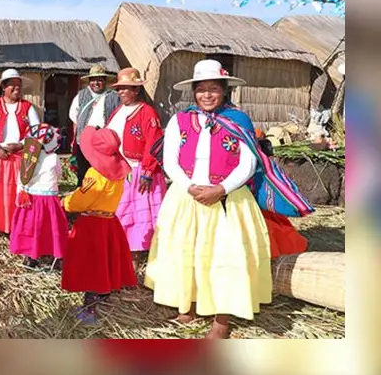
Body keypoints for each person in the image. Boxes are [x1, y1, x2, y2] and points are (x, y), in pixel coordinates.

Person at [143, 59, 275, 339]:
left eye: (213, 88)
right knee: (183, 250)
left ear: (224, 90)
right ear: (193, 92)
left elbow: (248, 163)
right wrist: (188, 186)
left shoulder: (239, 120)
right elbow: (170, 160)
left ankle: (222, 320)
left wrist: (221, 189)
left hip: (227, 199)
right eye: (201, 89)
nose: (206, 95)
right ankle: (185, 307)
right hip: (186, 196)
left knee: (224, 257)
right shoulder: (181, 120)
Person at [60, 127, 138, 324]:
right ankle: (104, 293)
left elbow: (82, 200)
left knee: (90, 265)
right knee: (105, 261)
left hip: (91, 225)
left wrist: (65, 203)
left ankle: (89, 308)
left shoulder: (95, 174)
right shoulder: (118, 173)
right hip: (109, 221)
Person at [103, 68, 167, 275]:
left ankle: (134, 260)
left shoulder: (146, 112)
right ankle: (120, 253)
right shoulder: (118, 111)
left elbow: (154, 143)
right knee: (121, 213)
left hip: (139, 170)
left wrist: (147, 171)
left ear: (136, 90)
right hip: (120, 169)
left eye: (126, 89)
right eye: (120, 89)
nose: (121, 92)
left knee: (138, 217)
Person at [0, 68, 41, 238]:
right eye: (12, 85)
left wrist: (20, 145)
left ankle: (12, 225)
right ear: (4, 87)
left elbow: (36, 131)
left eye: (19, 85)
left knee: (14, 192)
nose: (17, 88)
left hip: (18, 155)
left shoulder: (27, 107)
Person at [9, 123, 70, 269]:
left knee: (31, 227)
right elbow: (59, 174)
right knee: (52, 228)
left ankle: (31, 257)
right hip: (48, 199)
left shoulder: (26, 157)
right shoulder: (53, 157)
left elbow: (21, 178)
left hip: (29, 198)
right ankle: (57, 257)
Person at [68, 64, 120, 184]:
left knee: (102, 172)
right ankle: (82, 196)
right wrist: (74, 140)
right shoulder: (80, 96)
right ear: (89, 81)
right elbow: (75, 120)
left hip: (104, 142)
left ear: (105, 81)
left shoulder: (113, 97)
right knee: (83, 172)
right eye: (93, 80)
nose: (96, 83)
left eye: (100, 80)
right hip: (84, 141)